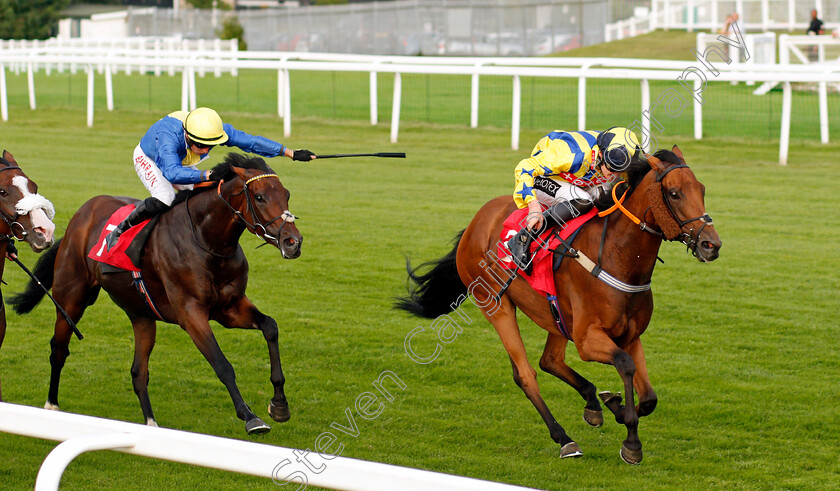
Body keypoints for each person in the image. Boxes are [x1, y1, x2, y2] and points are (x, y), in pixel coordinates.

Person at [105, 107, 316, 250]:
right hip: (151, 158)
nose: (205, 150)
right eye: (201, 145)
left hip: (179, 162)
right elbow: (170, 172)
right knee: (165, 196)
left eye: (210, 146)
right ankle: (121, 229)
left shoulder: (213, 130)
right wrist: (206, 174)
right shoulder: (168, 138)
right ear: (187, 136)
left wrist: (289, 152)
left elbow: (250, 142)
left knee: (206, 192)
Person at [507, 127, 643, 274]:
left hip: (580, 180)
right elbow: (524, 168)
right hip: (544, 177)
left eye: (620, 170)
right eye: (612, 168)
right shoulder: (570, 153)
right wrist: (533, 206)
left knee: (611, 195)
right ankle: (522, 238)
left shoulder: (620, 156)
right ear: (601, 153)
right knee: (583, 200)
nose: (615, 174)